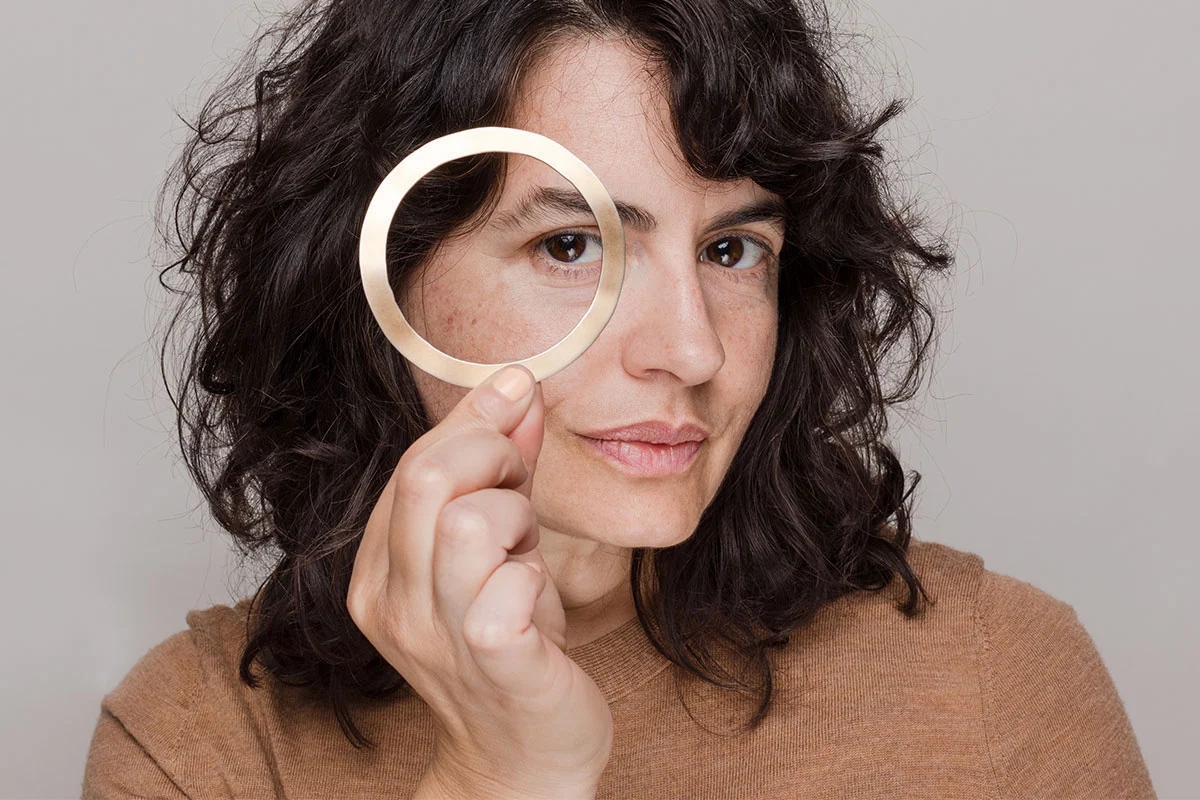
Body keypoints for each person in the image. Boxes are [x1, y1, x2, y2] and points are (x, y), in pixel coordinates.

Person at [81, 0, 1156, 797]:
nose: (692, 348)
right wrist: (498, 780)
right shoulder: (204, 745)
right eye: (570, 244)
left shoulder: (994, 676)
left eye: (733, 248)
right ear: (379, 281)